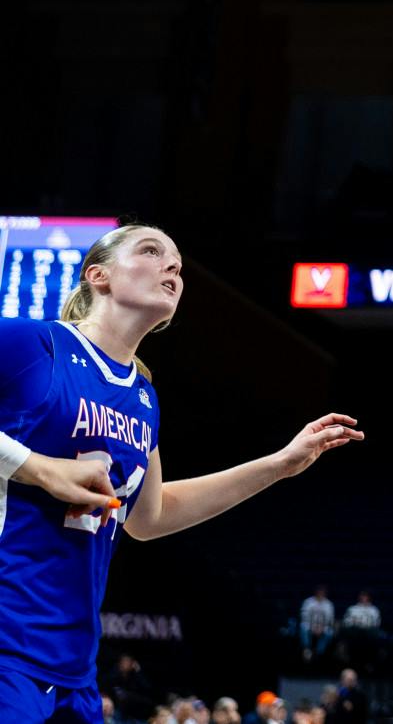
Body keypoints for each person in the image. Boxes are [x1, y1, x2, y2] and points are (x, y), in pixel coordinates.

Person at [0, 223, 362, 724]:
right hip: (6, 640)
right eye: (151, 252)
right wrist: (38, 468)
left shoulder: (143, 396)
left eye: (178, 264)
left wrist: (278, 465)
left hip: (73, 666)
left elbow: (150, 516)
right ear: (97, 275)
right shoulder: (33, 344)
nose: (172, 267)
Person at [299, 586, 337, 663]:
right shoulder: (308, 602)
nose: (320, 594)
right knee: (303, 627)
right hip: (310, 625)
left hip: (323, 627)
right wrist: (312, 626)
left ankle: (319, 652)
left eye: (322, 593)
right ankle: (307, 649)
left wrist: (321, 628)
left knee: (329, 632)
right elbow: (304, 616)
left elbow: (330, 619)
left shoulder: (329, 604)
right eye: (319, 592)